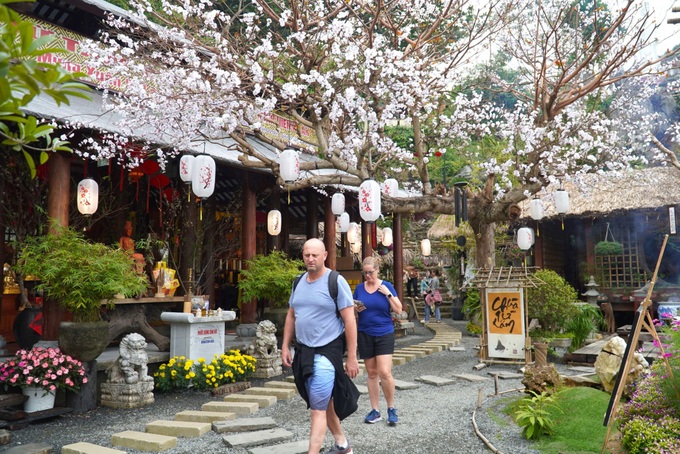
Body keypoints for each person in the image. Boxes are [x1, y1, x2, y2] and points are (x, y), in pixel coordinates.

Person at [281, 238, 360, 454]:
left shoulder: (335, 281)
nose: (310, 258)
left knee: (317, 409)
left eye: (315, 255)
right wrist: (285, 346)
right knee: (323, 402)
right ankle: (342, 445)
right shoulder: (298, 282)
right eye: (307, 255)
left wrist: (351, 357)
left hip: (327, 351)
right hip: (304, 351)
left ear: (325, 255)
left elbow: (350, 320)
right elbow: (291, 315)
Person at [353, 257, 402, 426]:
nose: (368, 276)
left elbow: (399, 309)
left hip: (384, 332)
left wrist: (387, 294)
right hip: (365, 332)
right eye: (365, 273)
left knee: (385, 372)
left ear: (377, 270)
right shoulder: (359, 289)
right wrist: (355, 308)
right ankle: (375, 410)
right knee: (372, 373)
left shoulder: (386, 286)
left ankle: (391, 408)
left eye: (370, 272)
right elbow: (353, 309)